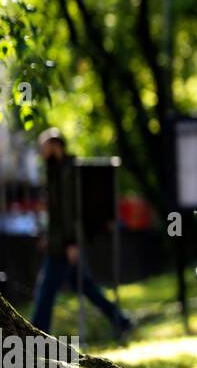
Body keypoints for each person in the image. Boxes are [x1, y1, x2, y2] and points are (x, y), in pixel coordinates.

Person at [30, 127, 134, 340]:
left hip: (65, 245)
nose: (41, 152)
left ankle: (36, 334)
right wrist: (52, 236)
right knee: (85, 286)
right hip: (61, 242)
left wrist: (71, 242)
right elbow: (58, 213)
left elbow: (70, 211)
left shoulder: (68, 172)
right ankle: (121, 320)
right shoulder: (56, 171)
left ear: (55, 146)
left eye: (44, 147)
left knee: (47, 290)